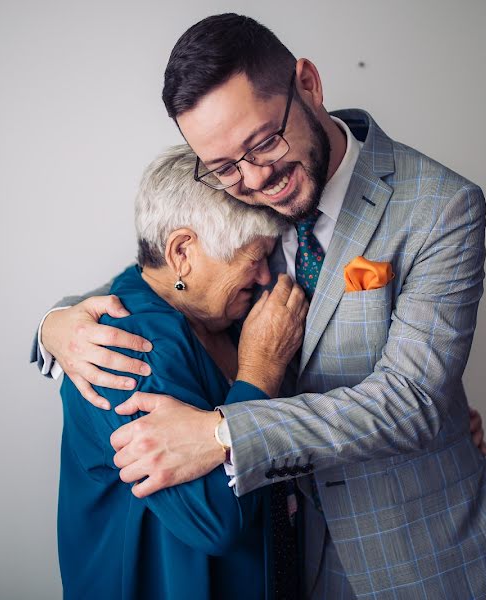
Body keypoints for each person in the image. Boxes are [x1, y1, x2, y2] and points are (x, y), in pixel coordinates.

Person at [36, 13, 486, 600]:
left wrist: (222, 433)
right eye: (222, 168)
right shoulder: (241, 205)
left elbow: (414, 401)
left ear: (310, 84)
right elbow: (168, 276)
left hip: (416, 554)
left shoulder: (441, 207)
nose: (255, 178)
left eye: (264, 141)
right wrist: (54, 325)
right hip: (292, 565)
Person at [57, 144, 307, 599]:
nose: (267, 279)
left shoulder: (220, 314)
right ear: (182, 253)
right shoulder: (125, 345)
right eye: (255, 259)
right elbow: (213, 521)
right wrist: (259, 371)